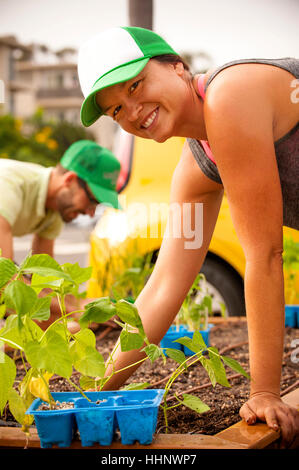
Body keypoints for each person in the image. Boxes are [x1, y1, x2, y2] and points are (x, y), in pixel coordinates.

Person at [77, 26, 299, 447]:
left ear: (177, 67)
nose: (131, 110)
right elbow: (163, 288)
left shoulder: (231, 94)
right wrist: (92, 393)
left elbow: (264, 253)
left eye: (135, 85)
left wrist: (266, 393)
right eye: (116, 111)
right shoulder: (198, 166)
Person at [0, 139, 121, 331]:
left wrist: (83, 305)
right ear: (69, 180)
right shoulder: (8, 186)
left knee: (59, 323)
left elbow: (45, 281)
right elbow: (3, 279)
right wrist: (72, 309)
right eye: (91, 200)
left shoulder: (54, 210)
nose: (91, 213)